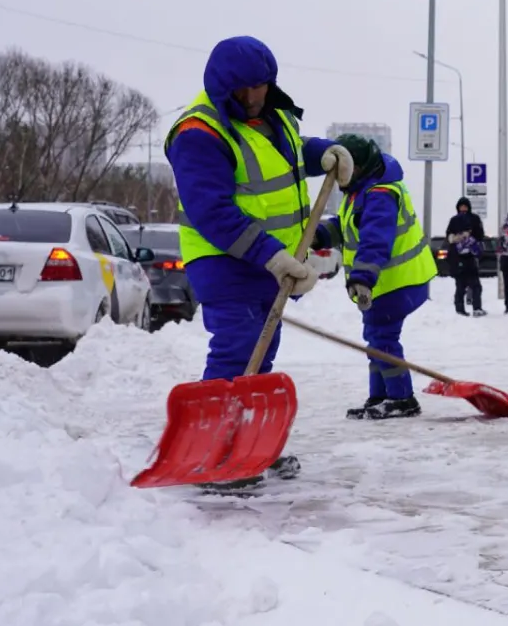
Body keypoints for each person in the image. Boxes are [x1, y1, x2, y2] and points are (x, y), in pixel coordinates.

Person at [165, 35, 354, 478]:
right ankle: (213, 455)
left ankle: (246, 448)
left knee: (261, 352)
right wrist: (271, 255)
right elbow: (212, 212)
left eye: (261, 86)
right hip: (223, 259)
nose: (253, 98)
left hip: (266, 262)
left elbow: (287, 153)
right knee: (236, 349)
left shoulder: (272, 115)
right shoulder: (198, 133)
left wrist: (321, 152)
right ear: (221, 86)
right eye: (243, 90)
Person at [316, 134, 435, 419]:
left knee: (382, 337)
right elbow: (347, 227)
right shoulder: (361, 190)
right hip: (387, 281)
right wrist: (319, 235)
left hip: (399, 280)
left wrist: (362, 277)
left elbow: (374, 239)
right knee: (375, 337)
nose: (343, 176)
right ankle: (381, 396)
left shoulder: (380, 194)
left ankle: (402, 399)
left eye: (349, 169)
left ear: (362, 166)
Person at [445, 197, 485, 317]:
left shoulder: (470, 219)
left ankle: (474, 308)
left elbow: (479, 235)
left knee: (473, 285)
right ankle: (462, 309)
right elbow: (449, 237)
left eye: (465, 206)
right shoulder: (459, 220)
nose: (463, 209)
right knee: (462, 285)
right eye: (461, 206)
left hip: (468, 258)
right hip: (461, 258)